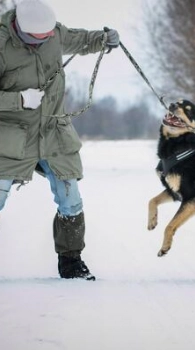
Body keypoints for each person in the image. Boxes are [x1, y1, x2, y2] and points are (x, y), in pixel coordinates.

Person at [0, 0, 120, 280]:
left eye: (48, 37)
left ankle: (71, 261)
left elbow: (81, 40)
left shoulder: (54, 33)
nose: (45, 41)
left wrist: (104, 39)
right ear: (20, 29)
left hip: (54, 132)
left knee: (71, 199)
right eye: (38, 38)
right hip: (10, 135)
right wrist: (19, 99)